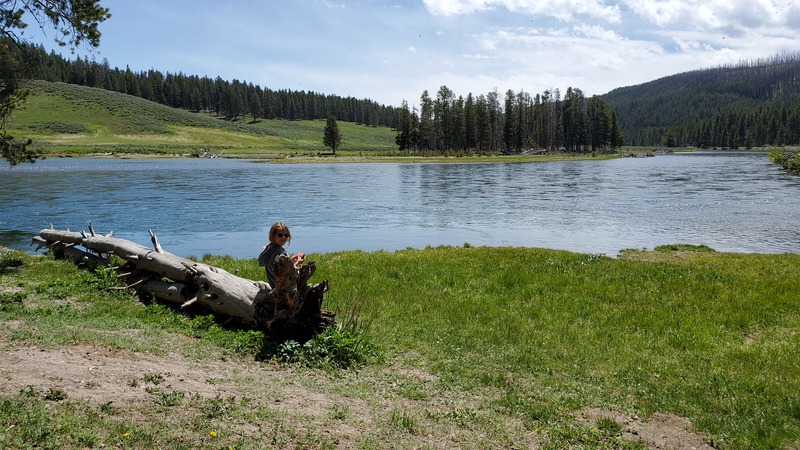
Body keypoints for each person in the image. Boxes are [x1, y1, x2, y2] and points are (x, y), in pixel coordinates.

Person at [257, 222, 305, 287]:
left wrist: (290, 261)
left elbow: (278, 267)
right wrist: (297, 263)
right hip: (283, 290)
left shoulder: (269, 248)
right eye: (280, 235)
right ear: (273, 236)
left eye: (286, 235)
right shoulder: (281, 252)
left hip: (273, 286)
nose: (283, 237)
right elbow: (286, 274)